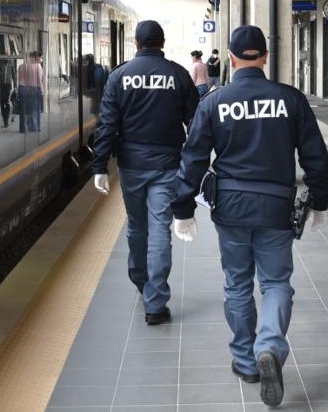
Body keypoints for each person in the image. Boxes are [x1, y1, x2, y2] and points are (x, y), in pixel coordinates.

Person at [170, 25, 328, 407]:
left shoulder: (214, 102)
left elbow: (192, 159)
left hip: (231, 209)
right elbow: (315, 156)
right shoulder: (289, 99)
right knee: (276, 283)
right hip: (276, 208)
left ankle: (246, 361)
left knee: (237, 284)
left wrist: (183, 208)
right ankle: (270, 348)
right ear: (264, 57)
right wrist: (319, 200)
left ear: (229, 58)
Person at [91, 20, 199, 325]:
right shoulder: (178, 75)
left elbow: (107, 125)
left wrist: (99, 165)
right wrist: (195, 164)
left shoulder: (119, 77)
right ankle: (155, 300)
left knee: (138, 227)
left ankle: (141, 280)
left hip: (132, 165)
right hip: (167, 164)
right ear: (162, 43)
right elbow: (196, 124)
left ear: (136, 44)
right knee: (160, 230)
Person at [17, 51, 44, 132]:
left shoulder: (21, 66)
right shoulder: (37, 66)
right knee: (35, 109)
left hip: (22, 88)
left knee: (24, 110)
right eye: (40, 57)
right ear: (35, 58)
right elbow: (39, 80)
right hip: (34, 89)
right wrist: (42, 91)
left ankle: (23, 128)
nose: (41, 59)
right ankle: (35, 127)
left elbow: (20, 79)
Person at [0, 59, 16, 127]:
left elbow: (14, 75)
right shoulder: (1, 62)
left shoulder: (11, 62)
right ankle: (4, 118)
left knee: (7, 102)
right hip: (2, 85)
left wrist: (15, 86)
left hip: (8, 85)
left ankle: (6, 120)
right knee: (2, 102)